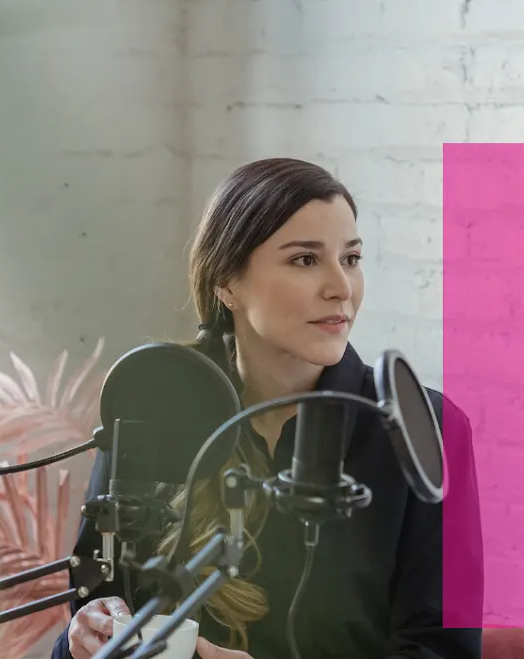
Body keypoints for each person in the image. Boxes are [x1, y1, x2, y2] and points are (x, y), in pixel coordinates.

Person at [49, 158, 483, 659]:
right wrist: (80, 640)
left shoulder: (425, 429)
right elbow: (98, 610)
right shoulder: (151, 406)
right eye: (305, 260)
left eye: (351, 258)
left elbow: (442, 651)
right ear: (227, 283)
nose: (341, 287)